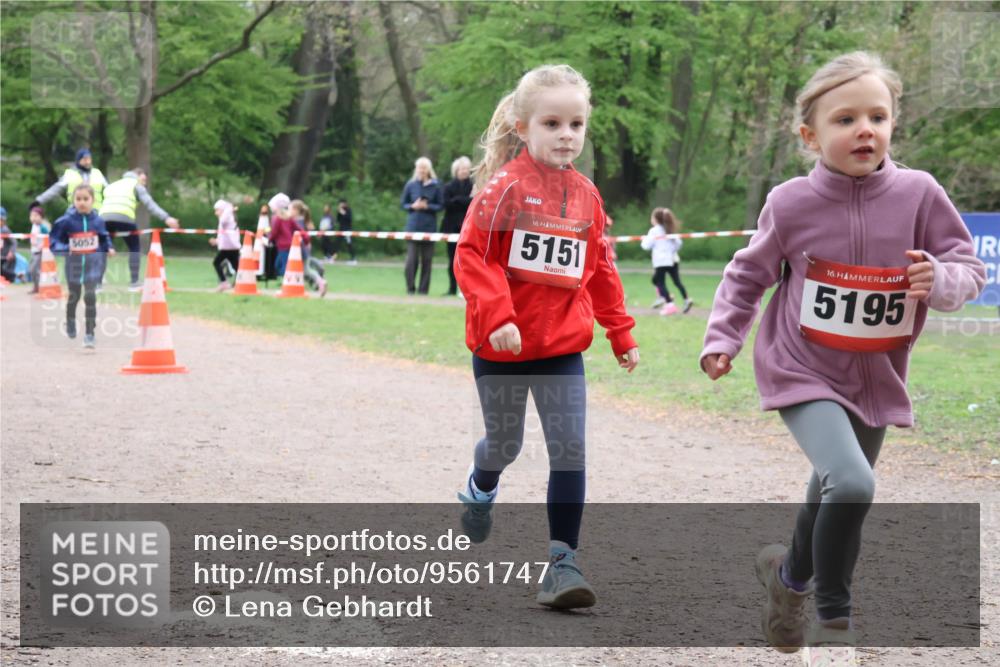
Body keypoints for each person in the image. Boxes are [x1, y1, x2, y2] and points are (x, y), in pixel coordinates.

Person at [699, 52, 986, 664]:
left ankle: (786, 579)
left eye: (878, 117)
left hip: (876, 375)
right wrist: (722, 338)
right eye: (846, 119)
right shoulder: (790, 203)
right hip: (800, 368)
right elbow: (747, 277)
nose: (865, 130)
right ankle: (833, 618)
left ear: (893, 124)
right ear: (810, 136)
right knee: (852, 482)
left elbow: (968, 266)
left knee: (831, 495)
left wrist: (939, 279)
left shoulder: (919, 193)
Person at [454, 64, 640, 611]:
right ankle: (481, 487)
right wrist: (498, 317)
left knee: (569, 450)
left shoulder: (587, 197)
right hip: (501, 347)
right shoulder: (504, 189)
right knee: (505, 445)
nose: (566, 135)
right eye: (552, 124)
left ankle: (563, 564)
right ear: (523, 127)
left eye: (576, 124)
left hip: (561, 348)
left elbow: (600, 268)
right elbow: (472, 256)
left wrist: (620, 331)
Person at [49, 185, 113, 349]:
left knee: (90, 297)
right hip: (74, 266)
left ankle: (90, 333)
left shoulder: (98, 221)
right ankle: (70, 319)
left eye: (85, 199)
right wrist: (66, 248)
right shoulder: (66, 221)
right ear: (73, 201)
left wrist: (109, 247)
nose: (82, 202)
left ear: (92, 200)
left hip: (93, 266)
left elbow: (104, 237)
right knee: (74, 296)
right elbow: (54, 241)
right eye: (78, 199)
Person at [99, 168, 180, 290]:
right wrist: (166, 218)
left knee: (103, 248)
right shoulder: (135, 184)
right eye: (143, 179)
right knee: (134, 247)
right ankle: (134, 282)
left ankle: (97, 283)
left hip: (103, 217)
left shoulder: (112, 185)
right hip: (125, 216)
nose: (144, 183)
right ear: (136, 175)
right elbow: (150, 204)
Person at [400, 157, 443, 295]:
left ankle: (423, 290)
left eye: (424, 168)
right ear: (416, 169)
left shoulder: (436, 185)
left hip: (429, 227)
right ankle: (410, 288)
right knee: (411, 260)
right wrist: (412, 206)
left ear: (429, 169)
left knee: (427, 260)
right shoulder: (410, 185)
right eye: (419, 167)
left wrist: (427, 206)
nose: (422, 170)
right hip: (413, 227)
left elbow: (441, 205)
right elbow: (403, 204)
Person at [640, 207, 692, 315]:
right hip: (672, 260)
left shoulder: (654, 231)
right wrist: (670, 251)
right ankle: (684, 299)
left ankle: (669, 304)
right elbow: (678, 244)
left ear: (655, 219)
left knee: (660, 282)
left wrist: (644, 239)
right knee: (673, 281)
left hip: (661, 262)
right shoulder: (669, 229)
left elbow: (646, 246)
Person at [33, 148, 109, 212]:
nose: (87, 162)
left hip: (96, 214)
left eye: (89, 159)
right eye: (84, 159)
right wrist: (39, 201)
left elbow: (109, 190)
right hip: (75, 213)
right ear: (78, 160)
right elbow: (54, 190)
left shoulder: (97, 173)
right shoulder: (69, 174)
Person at [441, 156, 473, 296]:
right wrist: (464, 200)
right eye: (461, 169)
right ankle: (452, 288)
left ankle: (466, 289)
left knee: (467, 260)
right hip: (451, 227)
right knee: (452, 259)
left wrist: (457, 200)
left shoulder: (474, 185)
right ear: (456, 170)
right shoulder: (448, 187)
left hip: (468, 227)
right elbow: (446, 204)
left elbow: (474, 201)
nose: (464, 171)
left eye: (466, 169)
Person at [289, 199, 328, 297]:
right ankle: (319, 268)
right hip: (303, 249)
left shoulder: (297, 222)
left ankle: (320, 281)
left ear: (296, 210)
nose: (288, 212)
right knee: (306, 267)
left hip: (301, 250)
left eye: (290, 209)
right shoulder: (302, 220)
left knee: (306, 271)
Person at [209, 200, 241, 292]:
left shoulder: (226, 217)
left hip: (228, 247)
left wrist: (228, 208)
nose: (216, 213)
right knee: (237, 267)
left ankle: (224, 283)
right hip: (230, 246)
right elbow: (223, 234)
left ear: (223, 209)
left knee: (216, 262)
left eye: (217, 210)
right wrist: (217, 241)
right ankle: (240, 282)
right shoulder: (228, 217)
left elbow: (223, 222)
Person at [27, 206, 52, 294]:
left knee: (35, 269)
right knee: (31, 269)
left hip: (40, 252)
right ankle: (36, 286)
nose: (33, 218)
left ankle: (38, 287)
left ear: (41, 217)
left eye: (36, 216)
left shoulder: (43, 227)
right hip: (33, 251)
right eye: (31, 216)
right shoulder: (33, 226)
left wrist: (43, 246)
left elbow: (49, 237)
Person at [333, 199, 357, 265]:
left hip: (347, 230)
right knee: (337, 243)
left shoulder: (348, 210)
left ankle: (353, 258)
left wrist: (343, 213)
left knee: (349, 244)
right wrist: (339, 212)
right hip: (341, 230)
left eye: (341, 203)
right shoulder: (340, 210)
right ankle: (333, 257)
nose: (340, 205)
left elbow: (349, 219)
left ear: (345, 203)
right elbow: (338, 220)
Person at [0, 207, 16, 283]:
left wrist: (11, 252)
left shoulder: (5, 230)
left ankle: (15, 276)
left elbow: (14, 242)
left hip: (5, 256)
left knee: (4, 271)